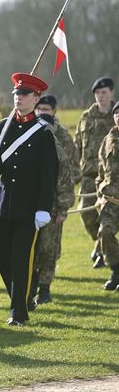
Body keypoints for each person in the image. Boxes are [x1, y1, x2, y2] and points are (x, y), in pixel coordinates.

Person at [0, 72, 58, 327]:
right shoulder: (3, 127)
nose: (19, 98)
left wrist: (43, 208)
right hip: (5, 203)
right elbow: (0, 168)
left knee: (21, 257)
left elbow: (49, 175)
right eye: (17, 94)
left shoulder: (43, 132)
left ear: (36, 98)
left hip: (30, 206)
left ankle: (19, 312)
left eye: (25, 94)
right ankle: (25, 294)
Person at [31, 97, 76, 304]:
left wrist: (63, 209)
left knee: (48, 250)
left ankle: (44, 287)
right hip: (29, 208)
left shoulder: (60, 151)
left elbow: (65, 182)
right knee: (29, 249)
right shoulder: (29, 149)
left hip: (52, 209)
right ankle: (29, 287)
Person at [74, 77, 115, 269]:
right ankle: (99, 245)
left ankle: (103, 252)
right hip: (89, 175)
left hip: (111, 178)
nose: (101, 96)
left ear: (112, 93)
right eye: (98, 93)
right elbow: (77, 145)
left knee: (105, 216)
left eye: (104, 92)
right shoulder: (86, 117)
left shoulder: (116, 115)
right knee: (86, 213)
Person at [95, 101, 119, 290]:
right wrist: (99, 193)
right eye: (116, 113)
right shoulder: (108, 140)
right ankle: (116, 271)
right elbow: (101, 171)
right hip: (111, 201)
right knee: (105, 232)